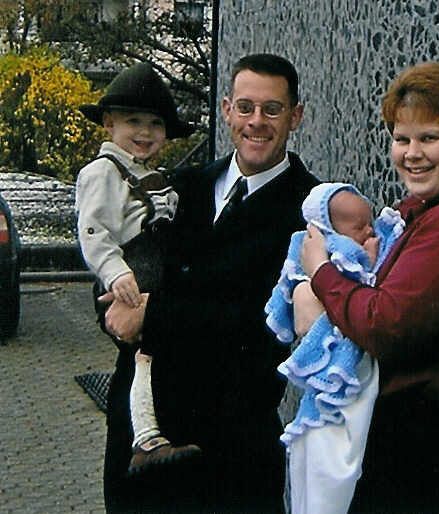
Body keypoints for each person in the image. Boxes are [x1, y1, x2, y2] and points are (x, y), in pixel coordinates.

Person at [100, 53, 319, 513]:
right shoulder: (179, 186)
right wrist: (111, 308)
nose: (256, 122)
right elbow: (113, 263)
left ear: (295, 116)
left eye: (272, 110)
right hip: (138, 450)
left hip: (229, 460)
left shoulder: (312, 211)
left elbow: (263, 327)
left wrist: (152, 315)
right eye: (245, 107)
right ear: (226, 110)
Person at [293, 62, 439, 512]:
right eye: (402, 139)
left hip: (428, 452)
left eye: (429, 138)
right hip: (405, 443)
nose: (413, 154)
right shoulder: (421, 211)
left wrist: (320, 272)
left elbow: (386, 324)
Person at [75, 62, 201, 477]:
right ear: (109, 123)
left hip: (157, 271)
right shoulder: (102, 173)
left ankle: (156, 434)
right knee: (144, 355)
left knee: (154, 356)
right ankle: (146, 439)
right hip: (132, 273)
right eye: (133, 121)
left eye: (155, 124)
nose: (145, 132)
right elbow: (93, 231)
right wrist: (115, 273)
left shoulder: (153, 176)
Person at [266, 182, 405, 514]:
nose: (369, 231)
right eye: (359, 227)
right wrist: (369, 259)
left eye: (370, 222)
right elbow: (356, 281)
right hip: (341, 357)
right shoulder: (335, 250)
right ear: (330, 230)